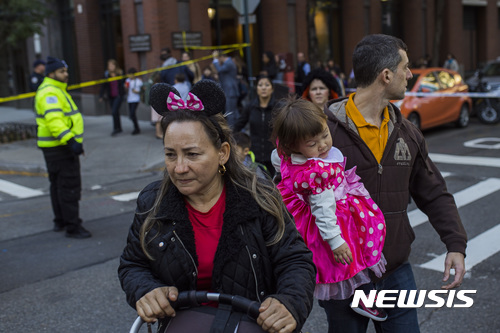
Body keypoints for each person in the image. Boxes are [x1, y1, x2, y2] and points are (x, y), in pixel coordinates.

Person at [118, 80, 316, 333]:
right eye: (170, 154)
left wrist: (289, 302)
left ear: (222, 152)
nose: (179, 168)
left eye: (192, 154)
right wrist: (146, 290)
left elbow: (295, 260)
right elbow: (133, 264)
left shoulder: (260, 197)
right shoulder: (152, 202)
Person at [324, 34, 467, 332]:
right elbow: (289, 197)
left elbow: (434, 193)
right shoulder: (323, 134)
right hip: (345, 275)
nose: (410, 74)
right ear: (386, 75)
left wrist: (455, 244)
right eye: (406, 66)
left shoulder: (408, 133)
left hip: (396, 270)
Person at [270, 97, 388, 323]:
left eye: (325, 135)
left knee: (349, 259)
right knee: (353, 255)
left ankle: (360, 296)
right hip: (334, 219)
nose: (323, 145)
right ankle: (362, 298)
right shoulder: (317, 173)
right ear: (293, 145)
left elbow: (277, 160)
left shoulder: (283, 154)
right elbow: (323, 209)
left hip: (311, 217)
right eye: (312, 143)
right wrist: (336, 240)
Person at [34, 56, 91, 239]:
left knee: (58, 186)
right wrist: (71, 142)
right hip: (60, 148)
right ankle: (73, 227)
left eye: (66, 71)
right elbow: (55, 121)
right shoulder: (51, 92)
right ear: (51, 73)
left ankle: (60, 220)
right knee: (69, 187)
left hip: (55, 148)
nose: (66, 74)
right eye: (62, 71)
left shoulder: (55, 90)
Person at [233, 75, 277, 176]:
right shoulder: (250, 106)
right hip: (254, 154)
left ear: (272, 88)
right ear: (256, 88)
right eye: (260, 85)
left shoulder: (277, 107)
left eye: (267, 85)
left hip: (273, 154)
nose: (264, 88)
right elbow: (239, 124)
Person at [213, 51, 240, 126]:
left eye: (218, 59)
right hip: (229, 90)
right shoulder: (229, 62)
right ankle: (238, 128)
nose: (218, 61)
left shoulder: (228, 63)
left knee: (230, 112)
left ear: (221, 57)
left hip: (230, 91)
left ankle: (232, 130)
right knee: (234, 111)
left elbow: (219, 69)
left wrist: (215, 60)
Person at [99, 59, 126, 136]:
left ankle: (115, 129)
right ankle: (119, 127)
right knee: (115, 112)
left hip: (118, 95)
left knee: (114, 111)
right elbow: (103, 86)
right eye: (109, 65)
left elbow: (124, 82)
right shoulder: (106, 74)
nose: (111, 67)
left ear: (115, 65)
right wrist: (101, 96)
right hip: (111, 96)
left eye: (112, 65)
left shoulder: (120, 73)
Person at [124, 68, 143, 135]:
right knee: (132, 115)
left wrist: (136, 91)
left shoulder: (138, 81)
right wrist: (126, 86)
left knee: (132, 113)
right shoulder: (127, 80)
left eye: (131, 74)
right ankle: (136, 128)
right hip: (129, 99)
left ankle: (136, 128)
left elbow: (142, 90)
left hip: (135, 99)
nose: (129, 76)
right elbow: (126, 88)